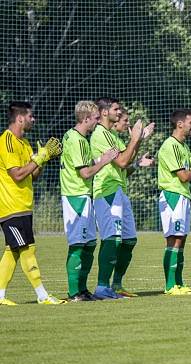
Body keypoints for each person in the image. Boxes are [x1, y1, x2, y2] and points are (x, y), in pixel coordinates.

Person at [0, 101, 65, 305]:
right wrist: (37, 160)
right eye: (30, 116)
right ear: (20, 118)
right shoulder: (7, 141)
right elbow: (18, 175)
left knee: (13, 251)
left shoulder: (25, 143)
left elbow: (32, 175)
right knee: (28, 249)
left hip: (24, 206)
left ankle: (0, 296)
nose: (33, 119)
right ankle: (42, 295)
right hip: (11, 206)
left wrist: (42, 159)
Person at [90, 98, 155, 299]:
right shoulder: (100, 134)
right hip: (107, 192)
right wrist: (136, 138)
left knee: (129, 240)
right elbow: (123, 160)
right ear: (103, 112)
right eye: (116, 109)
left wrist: (139, 140)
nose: (119, 113)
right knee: (112, 239)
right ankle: (102, 287)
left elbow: (125, 166)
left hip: (119, 191)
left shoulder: (112, 135)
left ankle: (116, 286)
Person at [60, 101, 118, 301]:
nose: (96, 122)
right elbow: (85, 173)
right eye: (94, 118)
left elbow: (85, 164)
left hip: (84, 196)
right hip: (76, 196)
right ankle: (74, 292)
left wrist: (99, 158)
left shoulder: (79, 138)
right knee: (78, 244)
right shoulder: (76, 140)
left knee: (90, 243)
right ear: (85, 119)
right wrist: (104, 161)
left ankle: (83, 289)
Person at [158, 108, 191, 295]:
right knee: (174, 240)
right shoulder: (170, 145)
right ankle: (170, 285)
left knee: (182, 239)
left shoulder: (183, 146)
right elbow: (183, 175)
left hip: (183, 196)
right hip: (172, 195)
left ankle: (179, 284)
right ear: (180, 124)